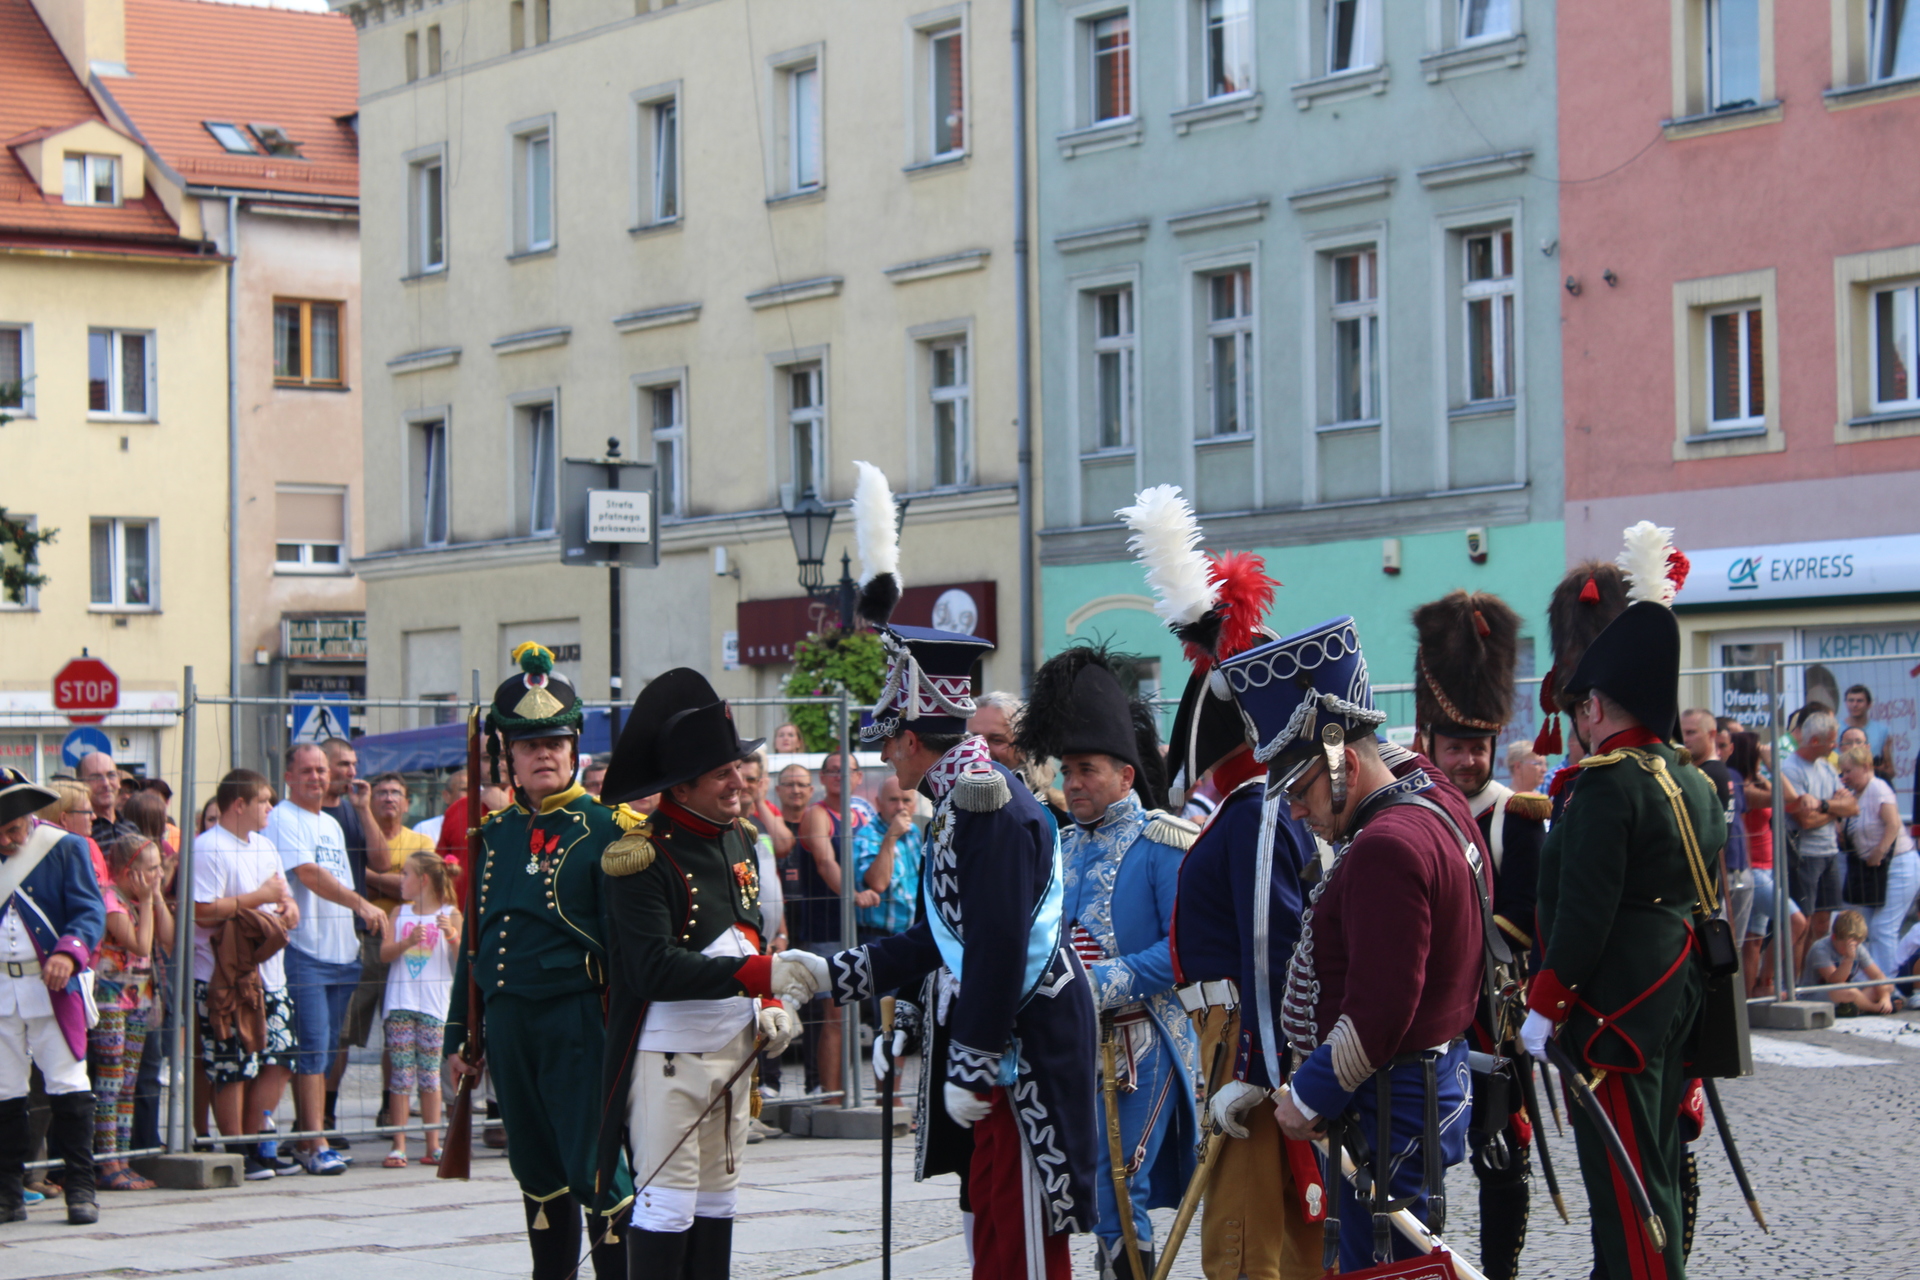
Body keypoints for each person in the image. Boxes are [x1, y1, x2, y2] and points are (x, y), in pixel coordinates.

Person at [821, 461, 1099, 1280]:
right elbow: (939, 937)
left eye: (889, 741)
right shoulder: (962, 804)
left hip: (1023, 1048)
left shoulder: (988, 807)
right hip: (1002, 1047)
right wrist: (845, 978)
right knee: (994, 1231)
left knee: (1023, 1246)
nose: (885, 757)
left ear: (914, 739)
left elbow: (1003, 944)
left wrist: (971, 1058)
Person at [1240, 619, 1484, 1273]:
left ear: (1345, 767)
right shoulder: (1436, 795)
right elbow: (1391, 756)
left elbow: (1380, 1009)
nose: (1295, 811)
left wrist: (1309, 1095)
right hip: (1420, 1090)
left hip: (1390, 1106)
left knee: (1380, 1269)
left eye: (1300, 790)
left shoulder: (1384, 847)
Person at [1519, 522, 1724, 1280]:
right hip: (1673, 996)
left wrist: (1546, 1007)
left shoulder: (1607, 787)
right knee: (1654, 1171)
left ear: (1599, 706)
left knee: (1628, 1192)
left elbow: (1585, 914)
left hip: (1614, 1013)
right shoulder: (1692, 779)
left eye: (1582, 708)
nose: (1577, 721)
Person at [1122, 515, 1322, 1280]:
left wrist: (1250, 1065)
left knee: (1242, 1243)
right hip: (1240, 1039)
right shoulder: (1251, 811)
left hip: (1242, 1040)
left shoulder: (1253, 814)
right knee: (1282, 1234)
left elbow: (1272, 952)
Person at [593, 666, 813, 1279]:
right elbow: (653, 970)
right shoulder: (642, 857)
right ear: (682, 787)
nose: (739, 782)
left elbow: (747, 933)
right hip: (671, 1057)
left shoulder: (739, 838)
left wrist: (768, 1004)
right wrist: (761, 976)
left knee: (719, 1200)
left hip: (734, 1047)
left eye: (738, 768)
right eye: (722, 774)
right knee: (667, 1206)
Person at [443, 643, 631, 1280]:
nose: (543, 755)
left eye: (554, 742)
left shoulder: (608, 829)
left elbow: (625, 946)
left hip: (576, 1019)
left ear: (575, 750)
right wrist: (460, 1033)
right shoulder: (493, 835)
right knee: (533, 1165)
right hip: (508, 1023)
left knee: (593, 1165)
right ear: (509, 760)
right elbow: (476, 942)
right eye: (528, 746)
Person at [1013, 642, 1196, 1280]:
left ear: (1125, 774)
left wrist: (1090, 984)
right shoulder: (1058, 845)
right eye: (1067, 770)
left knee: (1121, 1185)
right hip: (1074, 1044)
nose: (1073, 783)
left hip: (1145, 1038)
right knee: (1090, 1188)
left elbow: (1180, 951)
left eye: (1087, 769)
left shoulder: (1164, 841)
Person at [1412, 589, 1543, 1280]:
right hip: (1418, 1013)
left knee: (1502, 1158)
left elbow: (1522, 917)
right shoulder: (1405, 809)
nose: (1466, 761)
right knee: (1412, 1162)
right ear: (1428, 742)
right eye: (1455, 747)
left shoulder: (1515, 816)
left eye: (1477, 747)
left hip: (1493, 1017)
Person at [267, 743, 385, 1176]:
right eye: (307, 771)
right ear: (289, 777)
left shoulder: (332, 823)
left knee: (328, 1048)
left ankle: (308, 1137)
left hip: (341, 952)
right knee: (312, 1049)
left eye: (321, 770)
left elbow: (348, 874)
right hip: (306, 950)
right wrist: (361, 904)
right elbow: (309, 874)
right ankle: (314, 1142)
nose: (316, 777)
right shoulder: (283, 817)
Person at [0, 769, 108, 1225]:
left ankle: (81, 1190)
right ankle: (8, 1194)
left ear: (28, 817)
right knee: (4, 1091)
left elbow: (89, 911)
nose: (7, 842)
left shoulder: (63, 847)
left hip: (52, 987)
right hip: (1, 990)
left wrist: (68, 951)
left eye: (12, 830)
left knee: (68, 1085)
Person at [191, 770, 299, 1181]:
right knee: (232, 1064)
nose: (270, 807)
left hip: (271, 974)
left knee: (280, 1057)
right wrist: (260, 899)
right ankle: (237, 1150)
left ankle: (256, 1143)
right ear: (239, 805)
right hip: (225, 976)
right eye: (264, 800)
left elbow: (285, 898)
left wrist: (289, 910)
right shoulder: (209, 847)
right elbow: (202, 911)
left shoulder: (265, 845)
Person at [88, 832, 169, 1191]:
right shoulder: (111, 901)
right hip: (110, 999)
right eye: (151, 869)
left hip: (138, 999)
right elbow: (141, 945)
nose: (158, 875)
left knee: (128, 1084)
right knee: (110, 1081)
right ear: (127, 872)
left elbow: (169, 937)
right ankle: (107, 1163)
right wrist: (148, 901)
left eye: (159, 868)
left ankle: (122, 1160)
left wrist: (156, 898)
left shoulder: (140, 901)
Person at [320, 737, 392, 1141]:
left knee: (345, 1032)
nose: (351, 771)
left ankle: (326, 1117)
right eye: (342, 764)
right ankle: (315, 1119)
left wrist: (364, 809)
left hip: (356, 933)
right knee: (325, 1032)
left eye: (353, 764)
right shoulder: (307, 814)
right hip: (317, 932)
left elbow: (381, 861)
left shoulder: (352, 810)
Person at [380, 851, 459, 1167]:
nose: (401, 880)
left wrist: (451, 935)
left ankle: (433, 1144)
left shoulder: (450, 913)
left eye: (406, 874)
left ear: (423, 879)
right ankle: (398, 1145)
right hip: (401, 1003)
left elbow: (462, 959)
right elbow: (385, 954)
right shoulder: (399, 913)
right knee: (401, 1073)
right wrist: (407, 941)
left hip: (434, 1006)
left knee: (430, 1075)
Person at [794, 751, 865, 1098]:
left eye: (847, 770)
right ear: (822, 778)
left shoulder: (862, 815)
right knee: (835, 1017)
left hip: (862, 927)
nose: (840, 776)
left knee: (856, 1017)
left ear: (859, 777)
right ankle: (833, 1098)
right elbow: (824, 862)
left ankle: (855, 1095)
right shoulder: (817, 815)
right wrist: (854, 896)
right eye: (833, 771)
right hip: (828, 928)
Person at [1781, 709, 1857, 967]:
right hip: (1805, 855)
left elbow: (1852, 807)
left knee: (1823, 922)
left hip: (1829, 852)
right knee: (1803, 923)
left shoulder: (1826, 767)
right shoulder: (1791, 769)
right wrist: (1835, 808)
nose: (1835, 746)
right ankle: (1795, 980)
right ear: (1815, 741)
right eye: (1832, 741)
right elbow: (1805, 820)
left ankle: (1813, 975)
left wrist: (1823, 806)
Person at [1838, 744, 1918, 979]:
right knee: (1863, 927)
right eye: (1842, 772)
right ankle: (1867, 980)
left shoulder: (1878, 788)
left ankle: (1887, 983)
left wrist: (1879, 852)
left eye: (1849, 771)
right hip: (1872, 871)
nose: (1845, 777)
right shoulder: (1854, 795)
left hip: (1898, 864)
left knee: (1883, 928)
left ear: (1865, 767)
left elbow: (1893, 824)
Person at [1802, 910, 1894, 1014]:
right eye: (1847, 946)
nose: (1852, 949)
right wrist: (1849, 959)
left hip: (1845, 992)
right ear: (1834, 937)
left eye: (1856, 945)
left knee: (1885, 986)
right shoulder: (1820, 949)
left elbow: (1878, 976)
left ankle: (1855, 1007)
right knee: (1849, 992)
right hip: (1815, 995)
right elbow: (1835, 982)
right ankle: (1874, 1008)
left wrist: (1885, 998)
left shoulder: (1857, 948)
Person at [78, 752, 136, 851]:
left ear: (119, 781)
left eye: (111, 775)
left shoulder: (131, 827)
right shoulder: (81, 834)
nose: (106, 783)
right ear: (80, 784)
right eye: (96, 777)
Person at [1842, 685, 1892, 779]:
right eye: (1851, 701)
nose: (1854, 705)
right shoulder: (1835, 729)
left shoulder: (1881, 731)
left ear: (1869, 704)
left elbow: (1890, 770)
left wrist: (1877, 770)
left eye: (1859, 701)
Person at [412, 770, 466, 842]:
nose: (474, 794)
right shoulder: (424, 830)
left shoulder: (481, 828)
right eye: (466, 790)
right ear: (446, 796)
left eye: (478, 790)